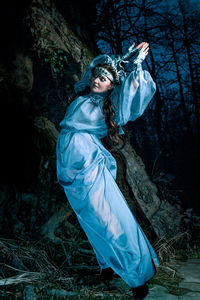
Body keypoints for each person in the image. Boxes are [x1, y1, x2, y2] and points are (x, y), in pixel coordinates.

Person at [56, 42, 159, 299]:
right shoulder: (83, 95)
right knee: (88, 218)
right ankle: (108, 265)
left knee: (108, 217)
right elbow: (97, 68)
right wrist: (119, 59)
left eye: (103, 79)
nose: (96, 80)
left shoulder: (111, 104)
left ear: (112, 86)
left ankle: (138, 277)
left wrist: (135, 64)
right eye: (96, 76)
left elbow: (134, 89)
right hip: (70, 163)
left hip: (88, 163)